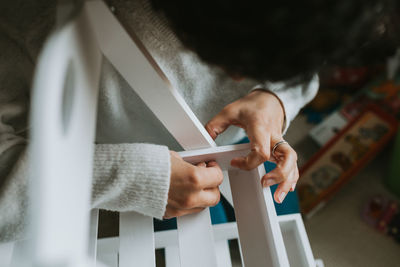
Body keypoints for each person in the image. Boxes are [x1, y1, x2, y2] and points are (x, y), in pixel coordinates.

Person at [0, 0, 398, 241]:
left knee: (273, 222)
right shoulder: (25, 23)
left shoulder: (299, 20)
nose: (239, 78)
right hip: (146, 198)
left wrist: (274, 99)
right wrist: (133, 178)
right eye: (234, 59)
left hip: (256, 169)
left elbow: (302, 64)